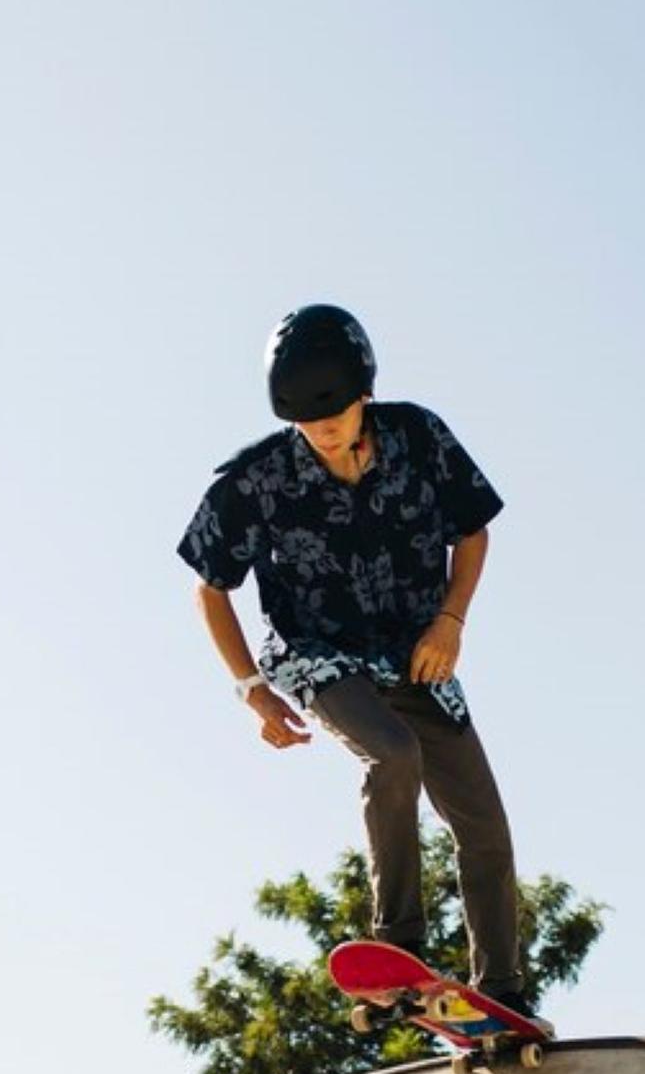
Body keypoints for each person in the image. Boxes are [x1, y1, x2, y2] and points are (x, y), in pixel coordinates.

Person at [177, 303, 546, 1029]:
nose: (324, 434)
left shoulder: (419, 437)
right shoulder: (257, 481)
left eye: (337, 420)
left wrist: (451, 620)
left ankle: (502, 990)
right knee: (392, 752)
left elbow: (472, 530)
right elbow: (210, 585)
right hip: (319, 654)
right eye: (309, 427)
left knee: (484, 825)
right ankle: (396, 947)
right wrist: (254, 691)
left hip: (418, 650)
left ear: (364, 397)